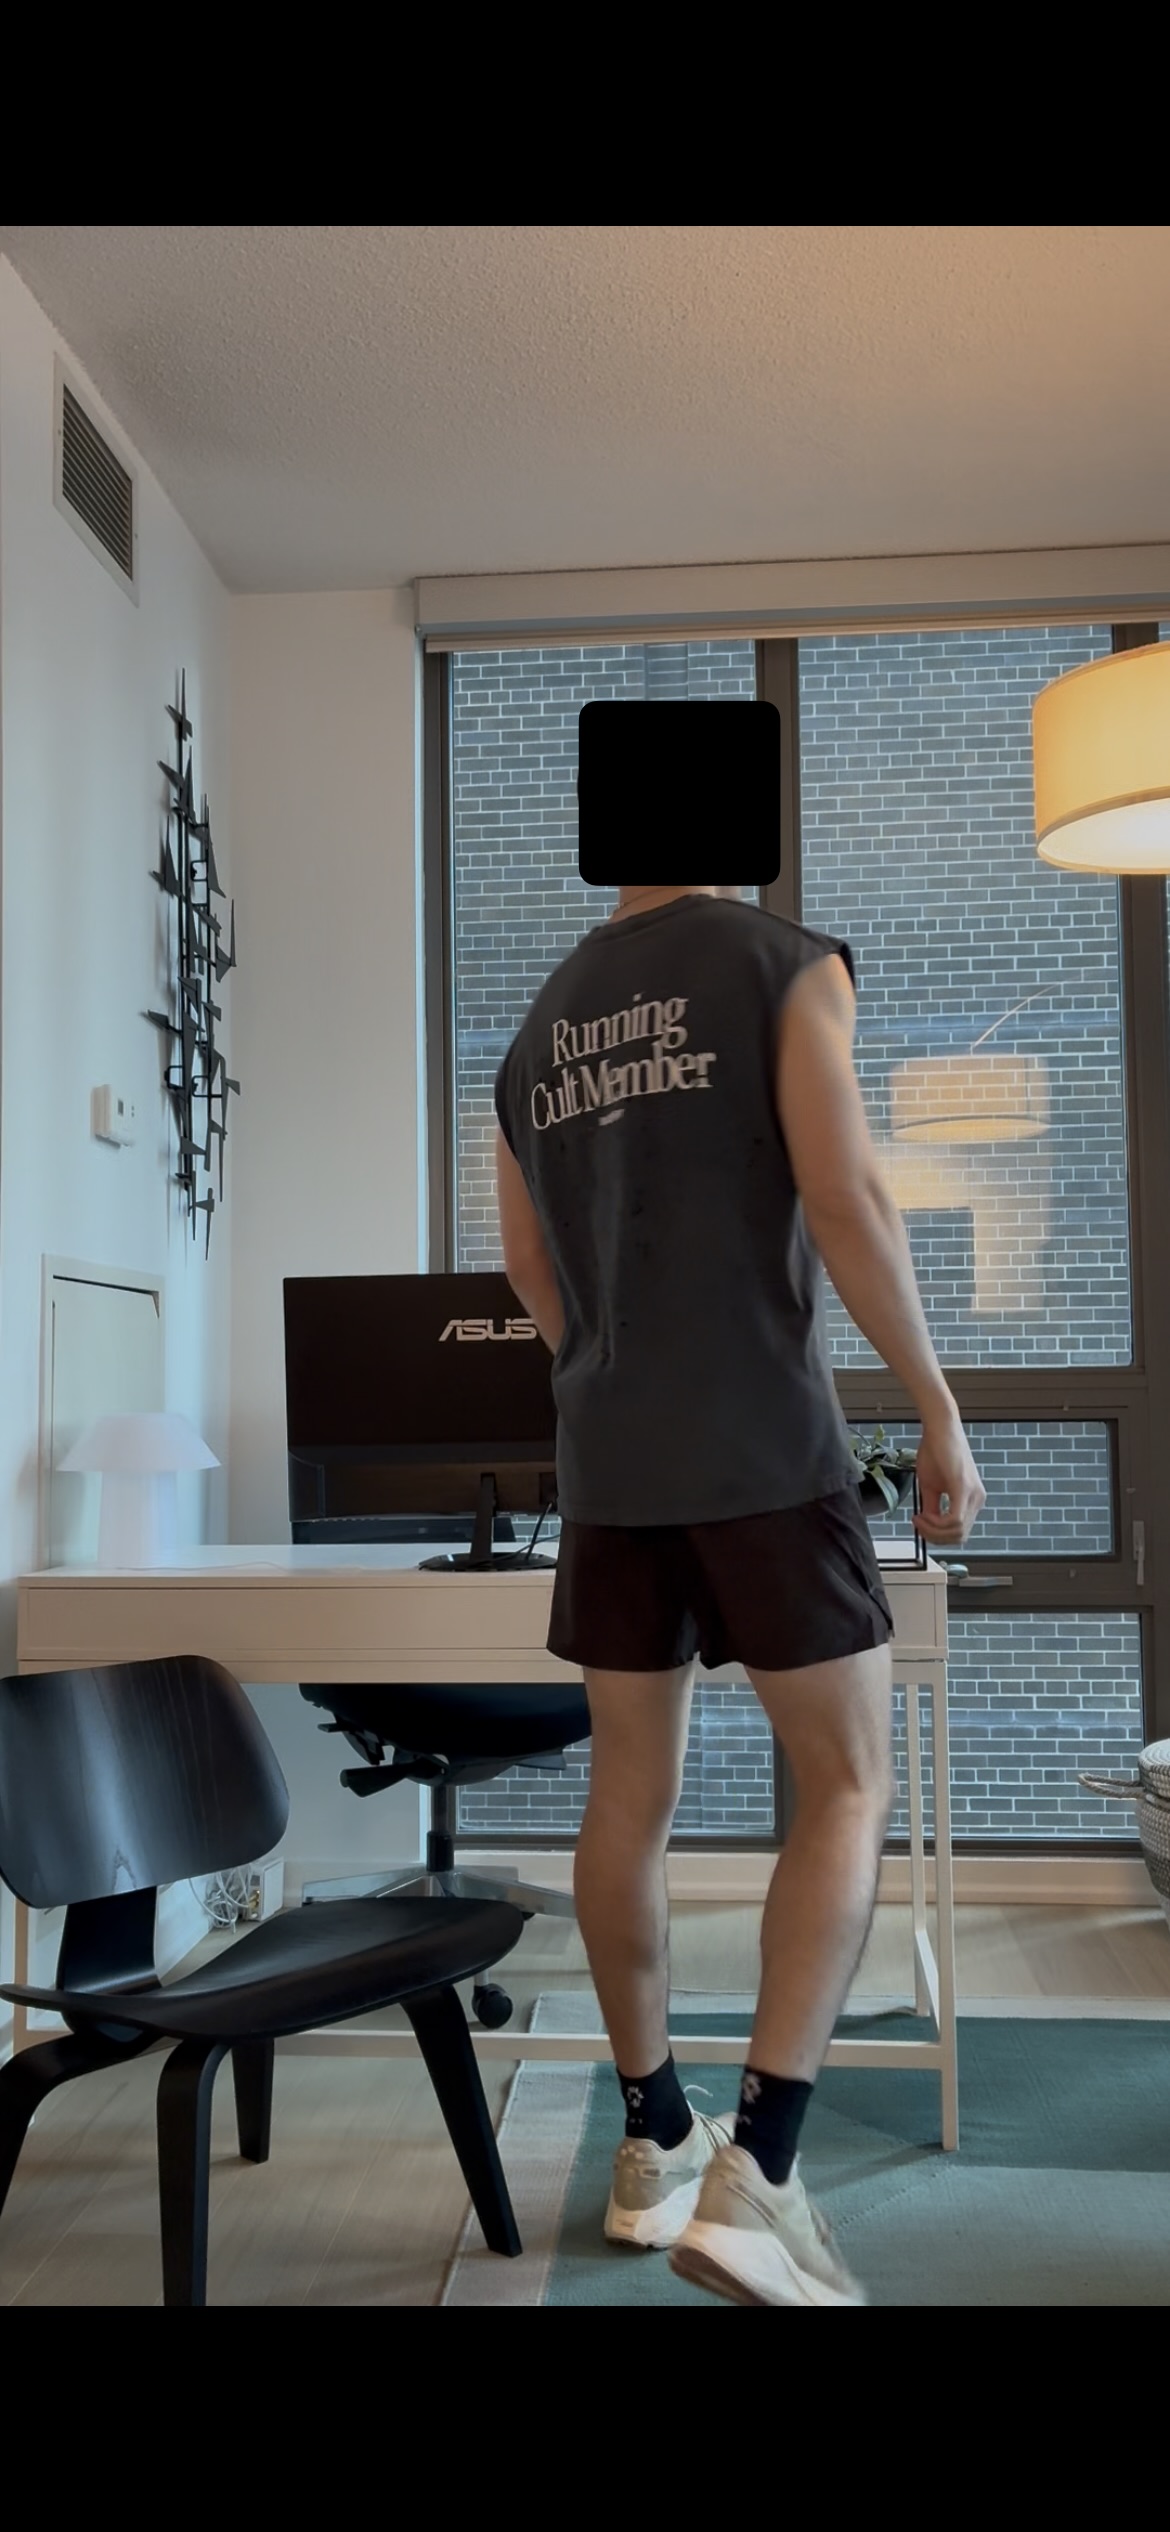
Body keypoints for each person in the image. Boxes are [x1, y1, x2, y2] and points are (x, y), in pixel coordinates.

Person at [494, 880, 985, 2308]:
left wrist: (609, 1383)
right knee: (847, 1780)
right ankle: (759, 2173)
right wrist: (936, 1406)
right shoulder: (783, 964)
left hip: (608, 1464)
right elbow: (846, 1196)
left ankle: (652, 2137)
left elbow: (528, 1265)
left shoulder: (537, 1032)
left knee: (627, 1798)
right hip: (761, 1443)